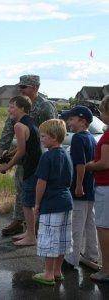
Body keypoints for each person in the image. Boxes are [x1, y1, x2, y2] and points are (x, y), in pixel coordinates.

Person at [0, 75, 58, 236]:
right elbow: (9, 127)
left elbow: (55, 131)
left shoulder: (45, 106)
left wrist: (52, 156)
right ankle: (19, 221)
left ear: (35, 88)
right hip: (25, 154)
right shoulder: (19, 105)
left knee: (39, 190)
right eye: (20, 87)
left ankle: (38, 225)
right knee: (21, 187)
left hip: (41, 156)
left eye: (24, 87)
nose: (21, 89)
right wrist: (2, 151)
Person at [0, 96, 42, 246]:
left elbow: (22, 152)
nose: (9, 110)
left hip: (30, 169)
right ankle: (29, 232)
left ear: (21, 108)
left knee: (27, 204)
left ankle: (31, 237)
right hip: (37, 166)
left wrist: (6, 166)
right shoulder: (30, 121)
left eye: (12, 107)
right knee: (28, 202)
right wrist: (9, 153)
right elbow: (25, 146)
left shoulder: (18, 126)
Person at [33, 119, 73, 286]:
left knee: (49, 238)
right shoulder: (66, 154)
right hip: (66, 202)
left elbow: (41, 183)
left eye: (43, 136)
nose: (41, 139)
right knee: (63, 238)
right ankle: (58, 271)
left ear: (54, 137)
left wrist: (37, 204)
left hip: (51, 204)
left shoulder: (47, 157)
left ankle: (48, 274)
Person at [62, 106, 99, 269]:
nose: (68, 122)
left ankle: (71, 259)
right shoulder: (91, 138)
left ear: (82, 121)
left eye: (71, 119)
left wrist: (78, 186)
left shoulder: (77, 138)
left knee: (76, 225)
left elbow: (80, 165)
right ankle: (92, 254)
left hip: (80, 190)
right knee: (90, 223)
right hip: (91, 189)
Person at [86, 95, 109, 283]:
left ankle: (106, 270)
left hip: (106, 187)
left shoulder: (108, 136)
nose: (100, 115)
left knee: (103, 228)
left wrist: (89, 166)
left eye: (102, 111)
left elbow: (104, 163)